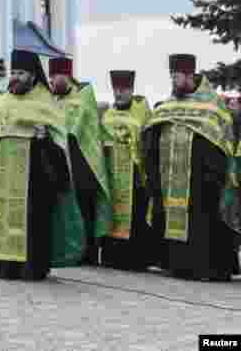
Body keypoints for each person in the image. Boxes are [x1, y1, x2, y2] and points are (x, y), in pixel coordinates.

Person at [0, 49, 84, 280]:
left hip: (34, 180)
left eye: (21, 73)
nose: (15, 77)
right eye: (14, 72)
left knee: (31, 222)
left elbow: (58, 140)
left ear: (32, 75)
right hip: (1, 176)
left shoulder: (45, 102)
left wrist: (45, 138)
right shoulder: (4, 101)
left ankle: (30, 267)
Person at [143, 53, 241, 281]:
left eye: (176, 77)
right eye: (171, 77)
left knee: (202, 222)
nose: (173, 82)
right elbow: (152, 135)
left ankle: (208, 268)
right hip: (170, 179)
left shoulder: (212, 106)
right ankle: (178, 265)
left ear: (189, 76)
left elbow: (222, 142)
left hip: (201, 180)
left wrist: (210, 174)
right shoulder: (168, 105)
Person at [49, 57, 111, 265]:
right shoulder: (53, 100)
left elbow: (73, 128)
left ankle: (88, 254)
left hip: (83, 162)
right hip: (62, 161)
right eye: (50, 76)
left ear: (66, 75)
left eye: (55, 76)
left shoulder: (83, 97)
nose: (51, 81)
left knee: (85, 209)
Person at [99, 70, 154, 271]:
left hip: (134, 177)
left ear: (131, 90)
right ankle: (112, 257)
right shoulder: (108, 115)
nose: (118, 93)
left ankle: (135, 260)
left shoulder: (142, 113)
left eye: (123, 89)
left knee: (135, 217)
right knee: (112, 215)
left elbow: (147, 143)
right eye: (116, 90)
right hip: (112, 175)